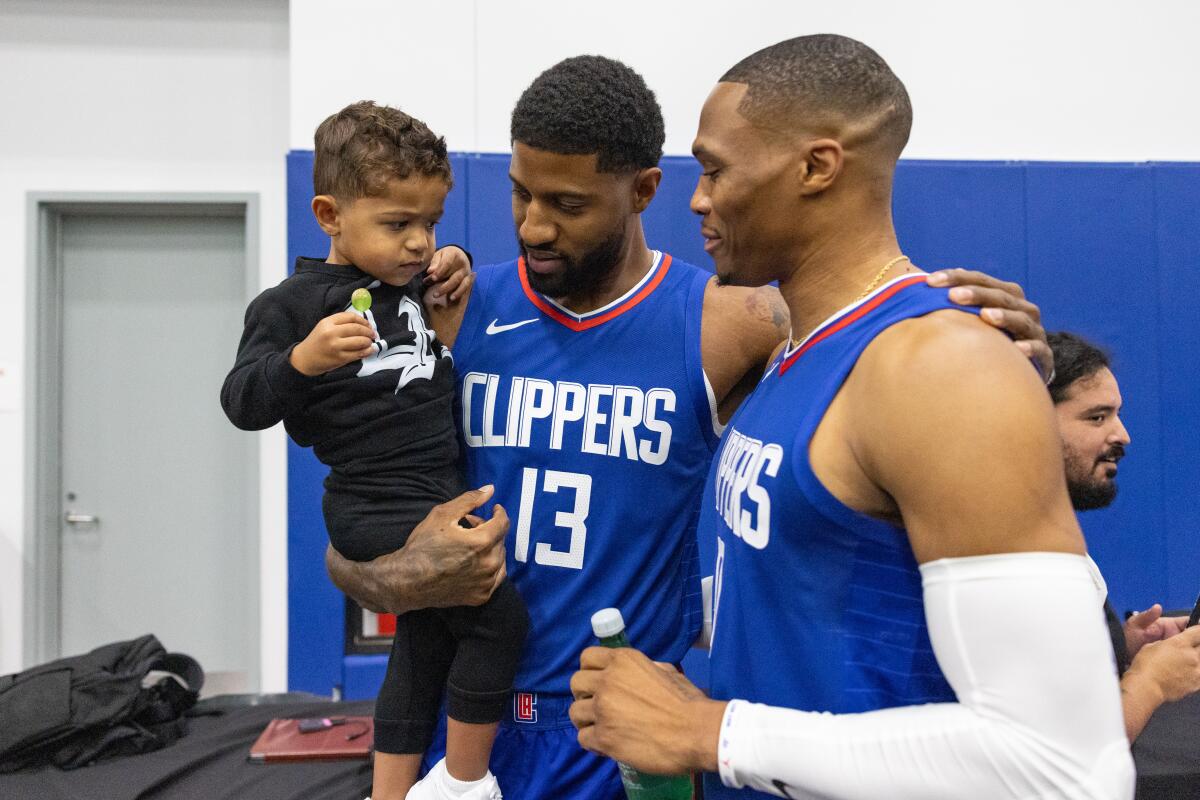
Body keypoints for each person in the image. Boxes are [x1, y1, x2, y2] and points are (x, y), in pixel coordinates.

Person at [327, 57, 1053, 800]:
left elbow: (878, 340)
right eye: (520, 194)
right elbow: (360, 506)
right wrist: (384, 576)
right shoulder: (454, 307)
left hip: (612, 732)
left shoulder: (732, 324)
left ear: (642, 190)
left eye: (568, 204)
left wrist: (1007, 348)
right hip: (462, 718)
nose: (533, 226)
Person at [568, 35, 1134, 799]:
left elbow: (1065, 766)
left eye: (714, 169)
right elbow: (802, 579)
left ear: (816, 167)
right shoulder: (796, 351)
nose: (697, 198)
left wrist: (710, 732)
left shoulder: (940, 369)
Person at [220, 101, 526, 800]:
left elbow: (440, 270)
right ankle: (467, 784)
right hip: (375, 502)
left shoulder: (406, 282)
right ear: (330, 216)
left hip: (430, 489)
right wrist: (301, 359)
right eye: (398, 224)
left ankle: (388, 794)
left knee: (421, 649)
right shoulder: (293, 305)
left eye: (430, 222)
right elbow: (242, 401)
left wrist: (456, 260)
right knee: (495, 614)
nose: (418, 242)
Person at [1048, 331, 1200, 741]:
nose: (1122, 435)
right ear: (1028, 419)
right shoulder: (1016, 553)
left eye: (1117, 414)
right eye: (1097, 417)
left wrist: (1120, 648)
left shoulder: (1050, 535)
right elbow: (1064, 754)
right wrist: (1150, 682)